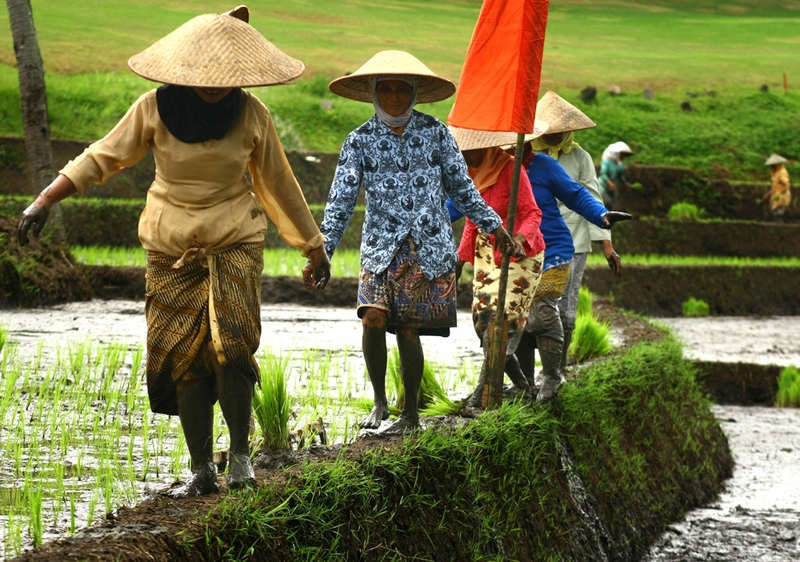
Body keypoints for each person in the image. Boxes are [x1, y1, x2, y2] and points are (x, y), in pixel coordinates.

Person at [17, 6, 330, 497]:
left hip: (234, 242)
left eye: (227, 75)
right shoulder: (152, 107)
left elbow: (278, 184)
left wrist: (314, 246)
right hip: (170, 246)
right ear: (185, 67)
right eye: (206, 73)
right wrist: (44, 200)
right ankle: (202, 468)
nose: (215, 83)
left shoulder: (252, 113)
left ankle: (242, 459)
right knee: (183, 357)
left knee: (230, 347)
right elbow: (102, 156)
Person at [320, 50, 513, 434]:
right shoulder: (358, 141)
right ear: (374, 93)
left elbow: (462, 188)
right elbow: (340, 200)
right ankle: (379, 403)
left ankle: (409, 415)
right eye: (386, 89)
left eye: (402, 90)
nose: (394, 97)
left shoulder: (436, 133)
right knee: (372, 317)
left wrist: (493, 224)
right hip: (380, 248)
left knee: (407, 327)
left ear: (414, 94)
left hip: (426, 248)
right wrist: (322, 250)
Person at [516, 149, 631, 403]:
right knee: (517, 316)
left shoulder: (545, 164)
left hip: (553, 249)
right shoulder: (496, 166)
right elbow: (465, 199)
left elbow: (578, 194)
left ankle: (552, 375)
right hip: (517, 254)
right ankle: (524, 386)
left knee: (542, 306)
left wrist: (601, 216)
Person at [446, 126, 546, 406]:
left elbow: (532, 213)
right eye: (461, 152)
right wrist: (460, 259)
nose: (466, 157)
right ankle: (525, 388)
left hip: (519, 255)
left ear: (485, 147)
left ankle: (482, 394)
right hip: (486, 253)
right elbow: (470, 221)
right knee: (482, 323)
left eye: (470, 151)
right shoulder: (467, 174)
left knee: (498, 324)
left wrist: (518, 238)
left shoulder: (511, 170)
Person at [528, 91, 623, 373]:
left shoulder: (579, 157)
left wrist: (607, 244)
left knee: (566, 311)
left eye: (563, 130)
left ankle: (559, 369)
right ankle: (534, 373)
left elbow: (591, 198)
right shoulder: (526, 155)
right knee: (529, 309)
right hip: (534, 240)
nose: (558, 135)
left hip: (574, 242)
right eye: (552, 130)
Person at [598, 141, 634, 210]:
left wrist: (625, 183)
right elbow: (603, 173)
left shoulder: (620, 164)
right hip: (603, 186)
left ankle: (608, 219)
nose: (624, 157)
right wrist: (610, 184)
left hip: (613, 188)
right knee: (607, 201)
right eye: (623, 154)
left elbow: (619, 175)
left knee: (612, 205)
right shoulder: (606, 162)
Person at [762, 153, 792, 223]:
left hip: (781, 195)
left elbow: (786, 185)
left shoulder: (782, 172)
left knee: (778, 213)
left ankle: (781, 228)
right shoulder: (775, 173)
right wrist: (768, 194)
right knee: (774, 212)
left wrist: (780, 193)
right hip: (777, 195)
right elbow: (774, 187)